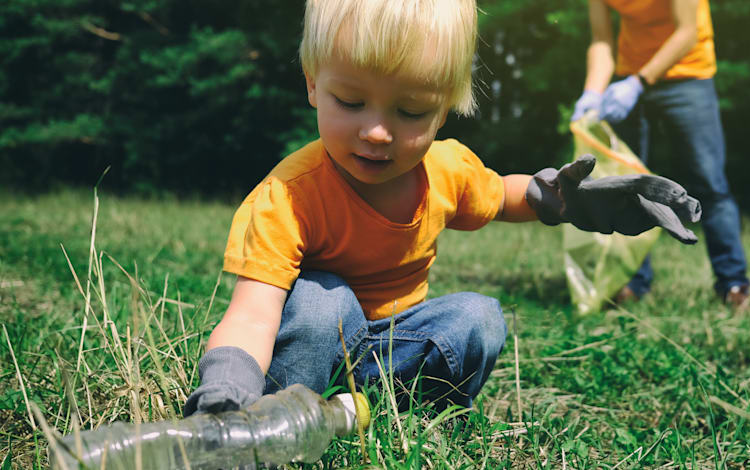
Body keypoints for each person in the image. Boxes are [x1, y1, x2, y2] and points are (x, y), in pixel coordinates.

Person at [183, 0, 703, 417]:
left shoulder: (444, 169)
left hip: (391, 351)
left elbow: (505, 193)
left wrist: (565, 201)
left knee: (478, 316)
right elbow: (252, 316)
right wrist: (224, 397)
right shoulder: (289, 196)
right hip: (308, 348)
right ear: (313, 82)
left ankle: (395, 411)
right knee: (326, 302)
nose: (377, 131)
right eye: (351, 101)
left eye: (411, 110)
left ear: (446, 106)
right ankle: (276, 415)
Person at [571, 0, 750, 307]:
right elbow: (601, 41)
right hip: (630, 75)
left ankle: (732, 283)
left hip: (688, 74)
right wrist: (594, 91)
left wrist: (638, 83)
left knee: (709, 182)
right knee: (629, 187)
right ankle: (634, 280)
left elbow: (686, 33)